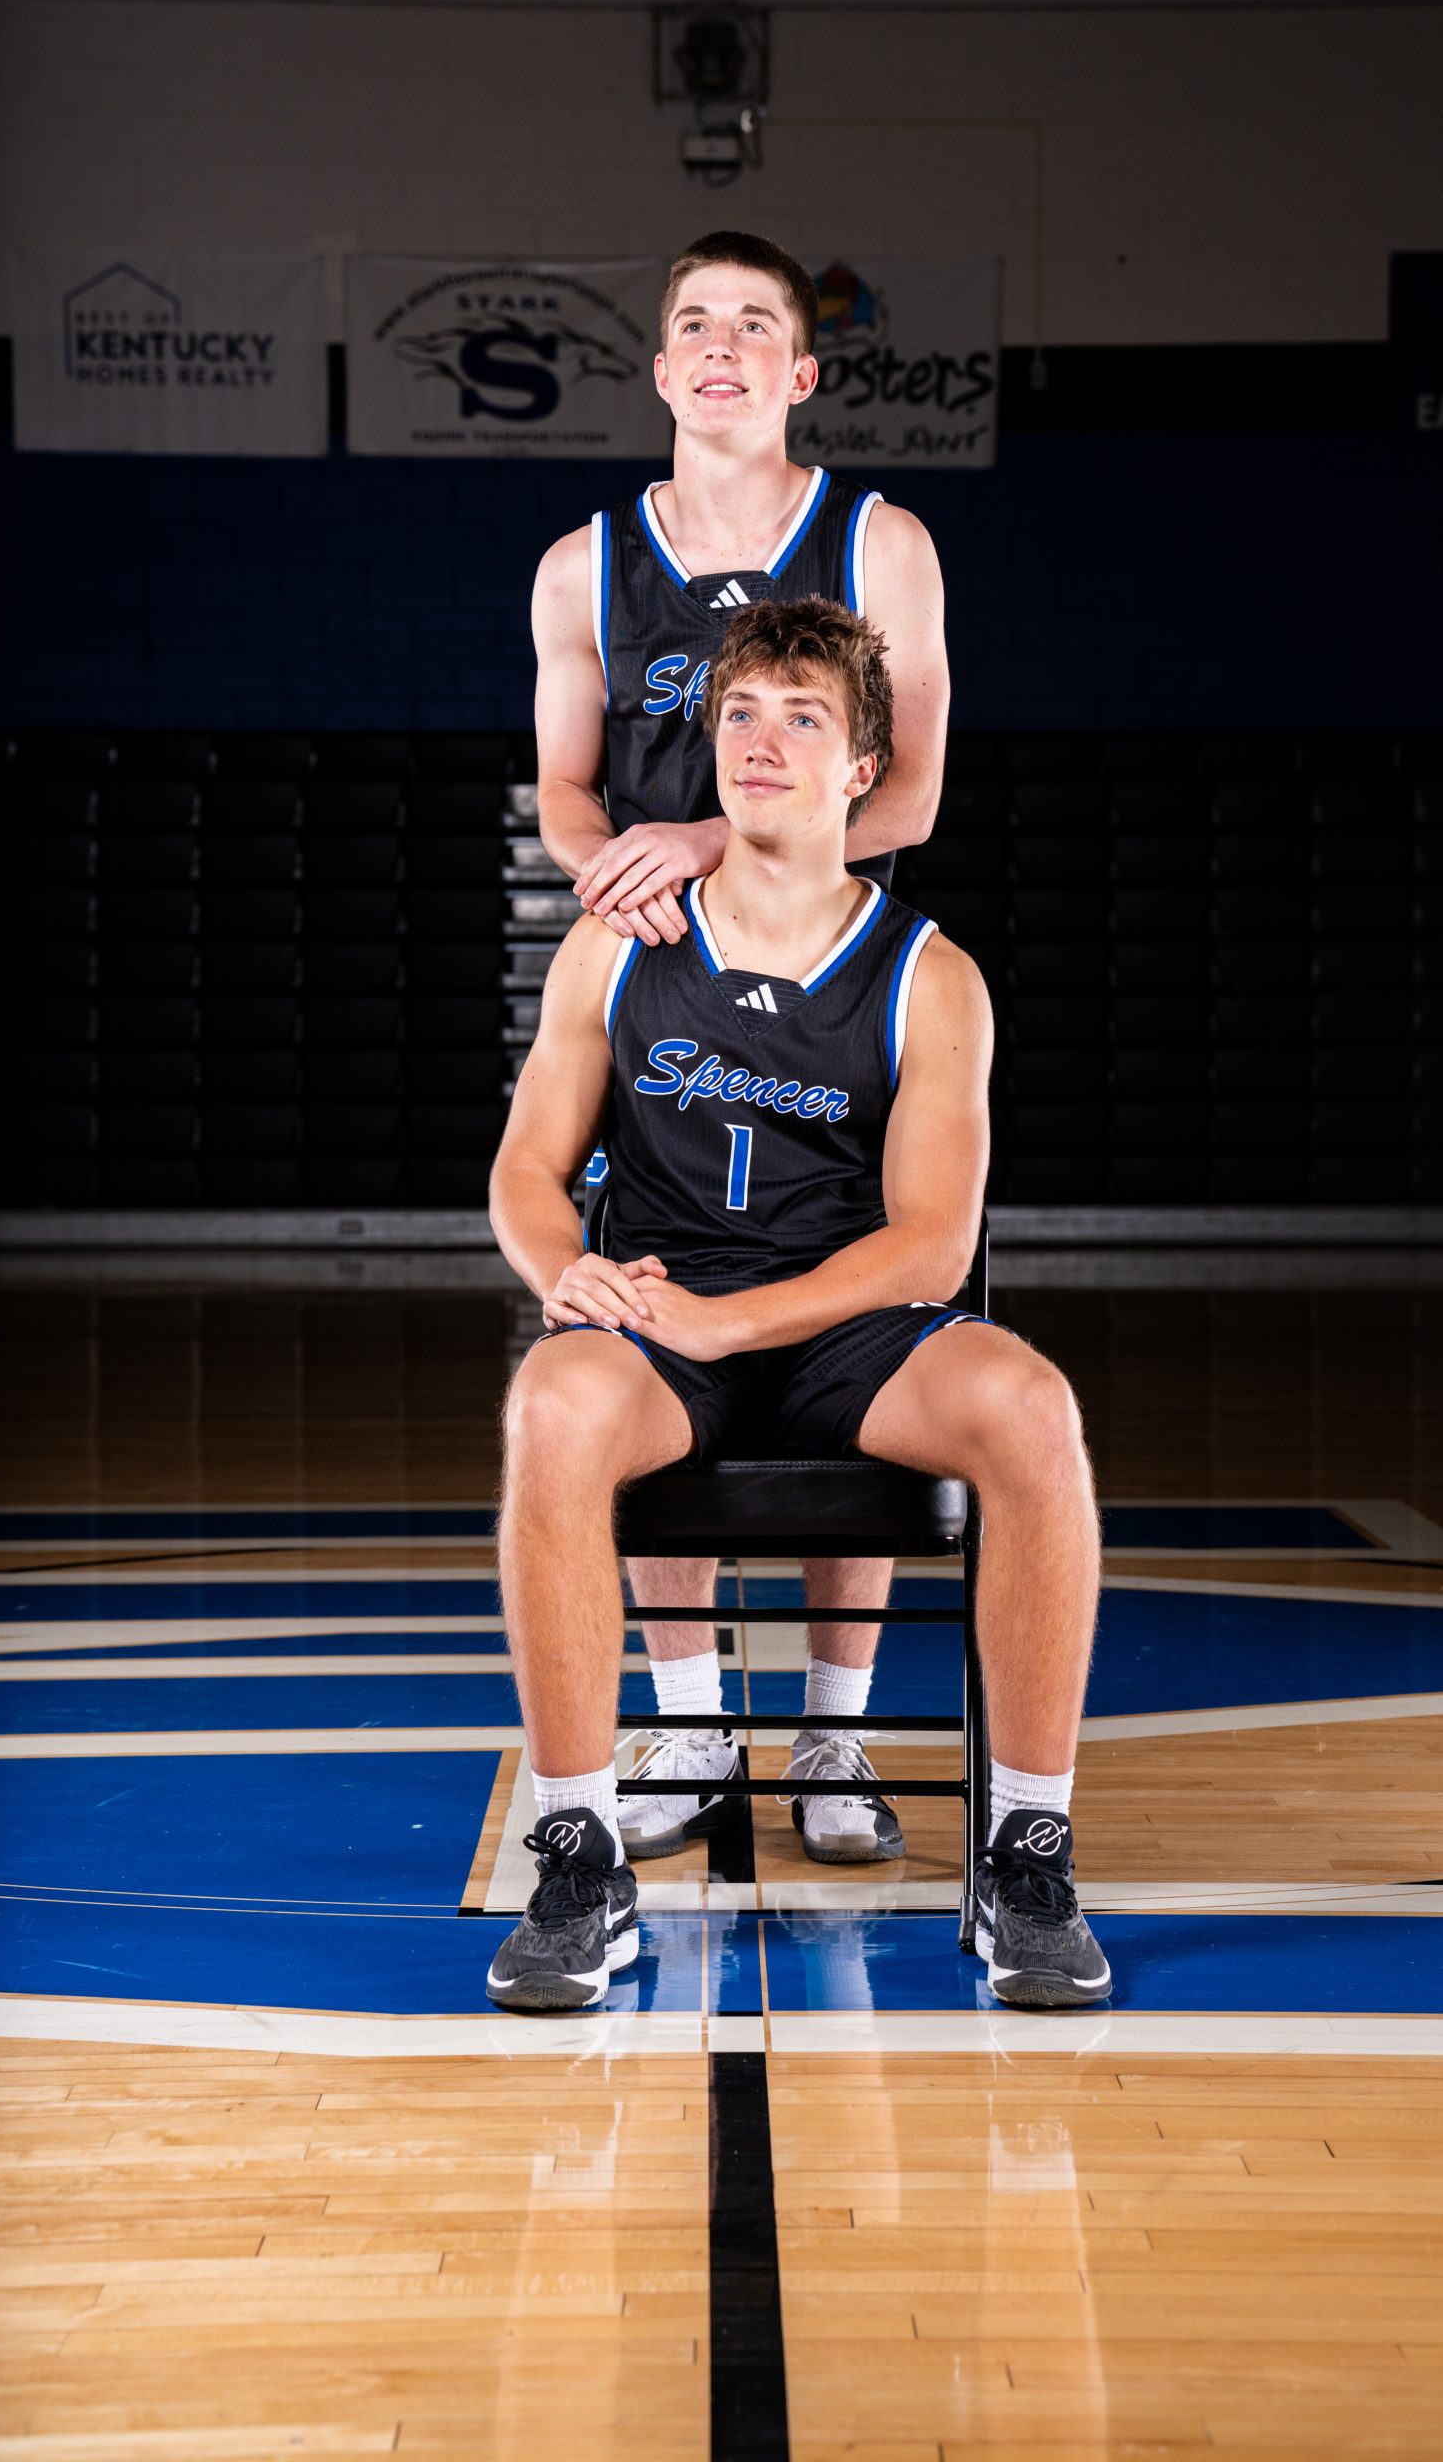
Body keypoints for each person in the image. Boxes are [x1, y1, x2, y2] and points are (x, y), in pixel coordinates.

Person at [487, 597, 1109, 2014]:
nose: (762, 743)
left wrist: (739, 1322)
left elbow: (932, 1247)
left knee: (1031, 1407)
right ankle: (578, 1862)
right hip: (664, 1317)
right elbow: (525, 1169)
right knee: (550, 1407)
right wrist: (562, 1268)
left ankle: (1026, 1858)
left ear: (861, 771)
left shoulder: (928, 975)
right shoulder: (615, 945)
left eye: (803, 718)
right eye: (741, 716)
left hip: (851, 1332)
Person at [531, 229, 950, 1866]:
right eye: (692, 323)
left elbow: (910, 792)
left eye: (752, 325)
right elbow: (567, 788)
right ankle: (696, 1725)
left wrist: (715, 841)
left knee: (869, 1316)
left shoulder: (879, 542)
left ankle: (834, 1738)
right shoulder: (581, 565)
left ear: (800, 371)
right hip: (654, 976)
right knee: (645, 1301)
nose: (719, 346)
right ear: (658, 367)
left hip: (831, 965)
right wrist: (613, 882)